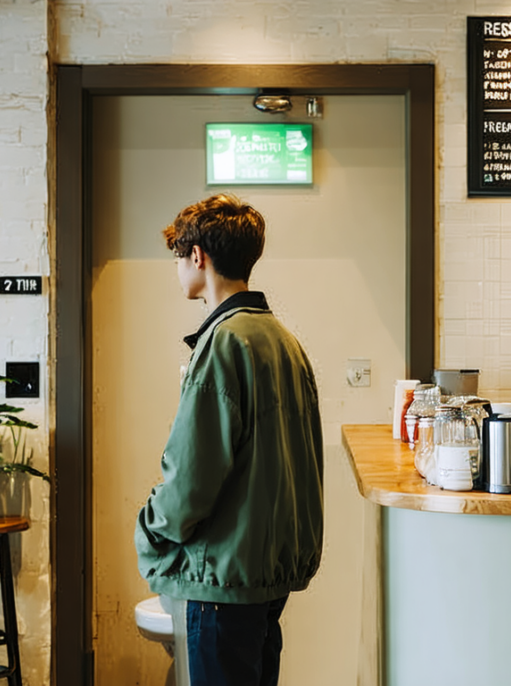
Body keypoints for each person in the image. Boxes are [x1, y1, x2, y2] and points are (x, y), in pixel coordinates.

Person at [135, 194, 324, 686]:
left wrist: (150, 527)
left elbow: (191, 478)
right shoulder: (283, 340)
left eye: (179, 255)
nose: (178, 267)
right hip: (266, 576)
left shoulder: (222, 343)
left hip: (220, 580)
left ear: (198, 256)